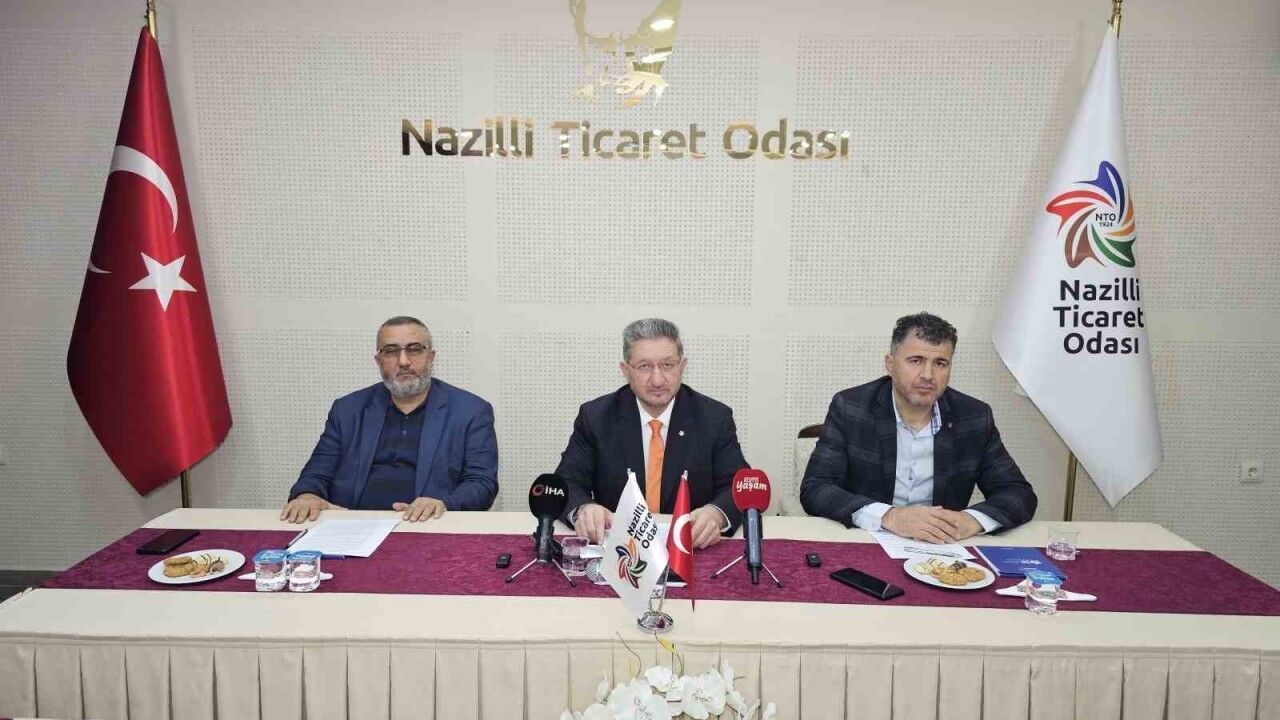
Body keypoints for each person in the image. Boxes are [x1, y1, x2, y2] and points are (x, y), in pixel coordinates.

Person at [800, 313, 1036, 542]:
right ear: (890, 364)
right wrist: (889, 516)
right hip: (868, 541)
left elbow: (1018, 493)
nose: (928, 375)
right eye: (916, 361)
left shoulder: (973, 417)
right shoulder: (852, 408)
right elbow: (816, 488)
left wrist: (971, 520)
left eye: (940, 363)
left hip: (942, 549)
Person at [281, 316, 498, 523]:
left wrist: (443, 504)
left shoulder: (471, 411)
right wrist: (308, 496)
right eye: (391, 351)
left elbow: (481, 484)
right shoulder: (348, 410)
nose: (403, 361)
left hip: (427, 525)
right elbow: (317, 472)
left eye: (415, 349)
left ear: (431, 357)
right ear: (379, 360)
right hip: (353, 523)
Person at [556, 318, 748, 548]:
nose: (657, 380)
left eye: (667, 365)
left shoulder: (714, 418)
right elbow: (567, 482)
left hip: (691, 550)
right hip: (618, 550)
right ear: (625, 370)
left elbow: (739, 485)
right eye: (644, 366)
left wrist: (716, 514)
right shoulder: (596, 417)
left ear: (682, 366)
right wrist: (584, 509)